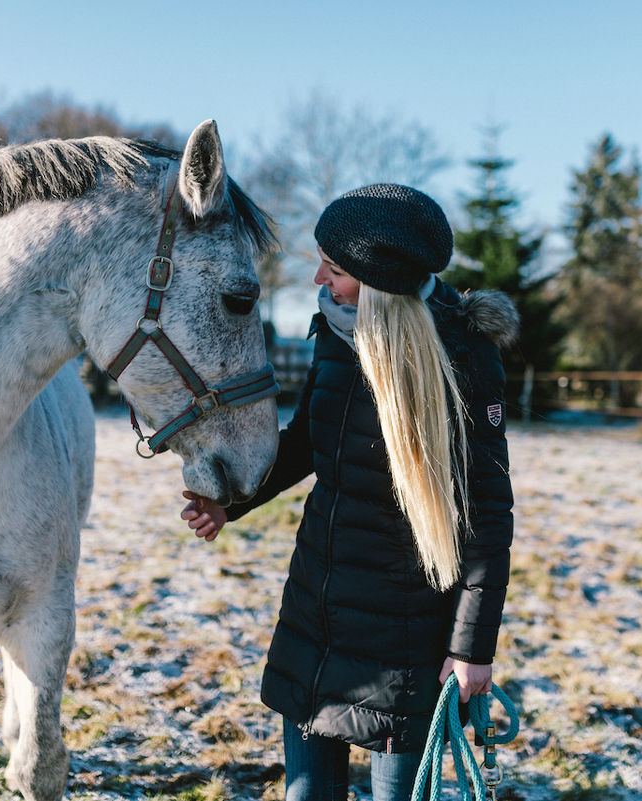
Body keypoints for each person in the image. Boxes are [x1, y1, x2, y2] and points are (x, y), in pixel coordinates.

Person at [181, 183, 518, 801]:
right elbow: (310, 440)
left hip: (407, 631)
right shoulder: (336, 333)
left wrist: (473, 651)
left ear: (378, 279)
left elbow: (488, 516)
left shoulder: (465, 356)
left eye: (333, 268)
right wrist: (233, 502)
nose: (318, 278)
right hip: (319, 605)